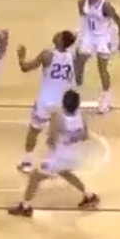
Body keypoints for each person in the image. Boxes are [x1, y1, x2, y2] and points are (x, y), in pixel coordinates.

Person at [8, 89, 101, 217]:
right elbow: (85, 136)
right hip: (74, 154)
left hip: (59, 157)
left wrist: (50, 145)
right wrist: (71, 137)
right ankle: (90, 196)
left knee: (35, 177)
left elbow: (52, 139)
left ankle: (24, 206)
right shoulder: (80, 116)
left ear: (63, 103)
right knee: (65, 173)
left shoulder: (58, 117)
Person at [16, 30, 78, 173]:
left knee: (34, 130)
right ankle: (49, 163)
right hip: (60, 102)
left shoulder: (47, 54)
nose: (56, 35)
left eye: (59, 35)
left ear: (61, 41)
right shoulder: (71, 57)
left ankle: (27, 162)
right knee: (54, 133)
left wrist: (21, 57)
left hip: (45, 101)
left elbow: (25, 68)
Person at [75, 0, 120, 114]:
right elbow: (84, 18)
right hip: (89, 35)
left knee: (102, 67)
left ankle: (107, 97)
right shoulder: (82, 2)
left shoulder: (106, 6)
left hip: (103, 37)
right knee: (78, 63)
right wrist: (80, 35)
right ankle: (77, 93)